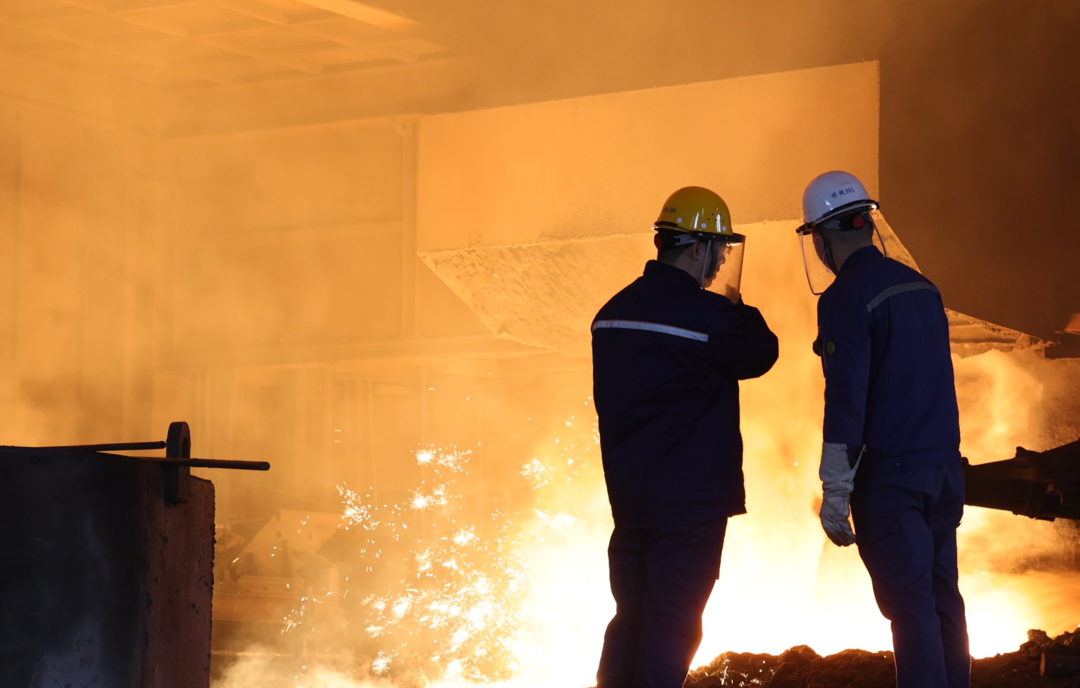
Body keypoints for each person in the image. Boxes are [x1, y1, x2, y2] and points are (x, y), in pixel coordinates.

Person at [591, 186, 778, 688]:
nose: (720, 263)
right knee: (672, 623)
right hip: (689, 508)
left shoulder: (610, 314)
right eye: (719, 251)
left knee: (630, 619)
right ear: (698, 247)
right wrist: (739, 308)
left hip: (631, 504)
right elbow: (761, 352)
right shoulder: (706, 316)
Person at [796, 170, 970, 688]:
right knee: (943, 598)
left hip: (892, 483)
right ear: (868, 224)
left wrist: (835, 486)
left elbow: (846, 399)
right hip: (942, 473)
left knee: (911, 608)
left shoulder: (845, 298)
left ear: (820, 239)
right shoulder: (923, 287)